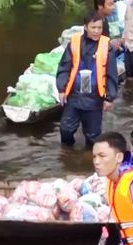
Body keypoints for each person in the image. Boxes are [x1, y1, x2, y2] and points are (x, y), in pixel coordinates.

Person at [56, 11, 119, 148]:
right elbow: (64, 67)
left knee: (93, 135)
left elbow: (111, 73)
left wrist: (109, 97)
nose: (97, 31)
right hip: (74, 95)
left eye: (99, 28)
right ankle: (67, 155)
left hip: (95, 97)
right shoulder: (74, 43)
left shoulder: (106, 46)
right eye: (93, 28)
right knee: (65, 129)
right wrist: (61, 89)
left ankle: (90, 159)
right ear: (85, 27)